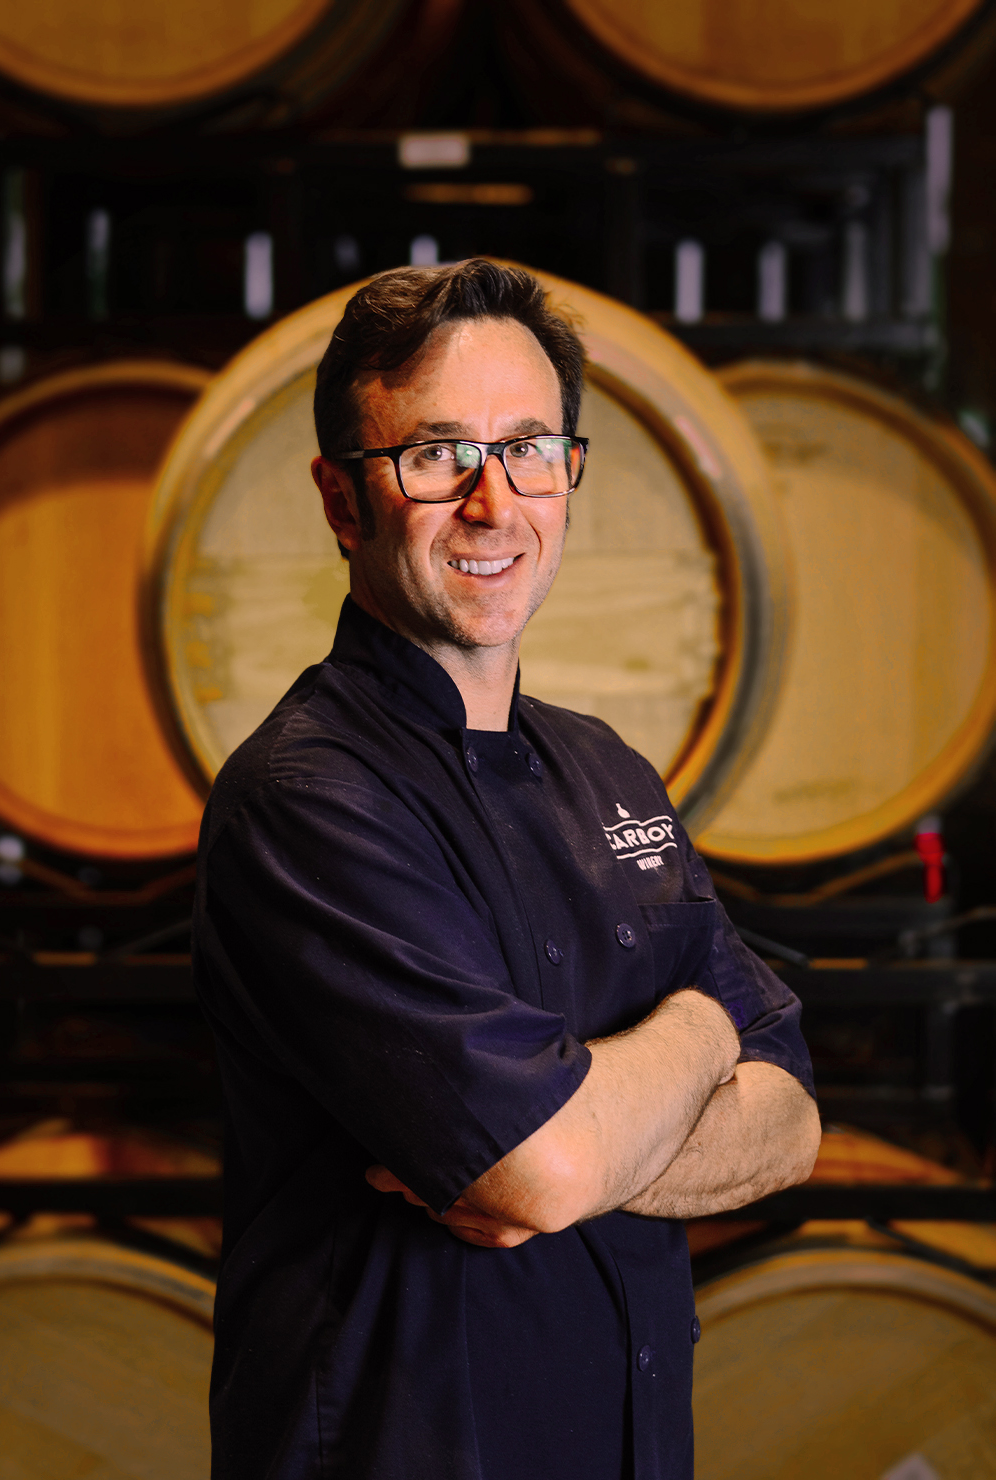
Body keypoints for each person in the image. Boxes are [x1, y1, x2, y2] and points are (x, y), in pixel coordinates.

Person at [193, 259, 820, 1480]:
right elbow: (541, 1170)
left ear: (567, 470)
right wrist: (701, 1035)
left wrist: (581, 1134)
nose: (495, 502)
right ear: (339, 499)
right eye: (436, 455)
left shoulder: (610, 772)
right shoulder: (307, 799)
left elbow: (790, 1124)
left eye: (530, 445)